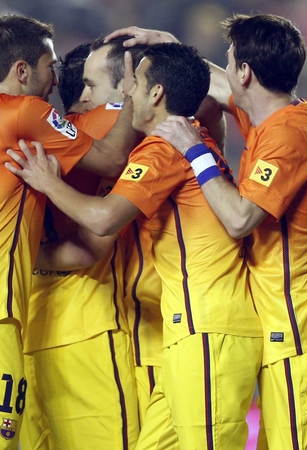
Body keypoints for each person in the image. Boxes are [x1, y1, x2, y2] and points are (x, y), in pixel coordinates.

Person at [109, 14, 307, 449]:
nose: (224, 69)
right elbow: (214, 84)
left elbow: (240, 218)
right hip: (285, 331)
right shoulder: (274, 120)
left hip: (302, 332)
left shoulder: (289, 136)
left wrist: (195, 152)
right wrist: (172, 48)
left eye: (229, 60)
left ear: (245, 72)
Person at [7, 43, 263, 450]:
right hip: (189, 329)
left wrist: (48, 182)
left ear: (156, 93)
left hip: (207, 327)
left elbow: (103, 219)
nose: (128, 93)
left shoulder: (164, 148)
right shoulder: (186, 139)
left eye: (135, 83)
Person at [0, 15, 137, 450]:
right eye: (49, 66)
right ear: (22, 71)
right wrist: (133, 93)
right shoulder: (24, 112)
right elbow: (113, 158)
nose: (56, 80)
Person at [21, 41, 140, 450]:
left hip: (25, 328)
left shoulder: (24, 132)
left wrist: (23, 257)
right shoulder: (111, 122)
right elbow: (92, 246)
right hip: (87, 328)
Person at [79, 35, 177, 450]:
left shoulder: (165, 147)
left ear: (128, 89)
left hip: (166, 342)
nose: (83, 98)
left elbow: (101, 225)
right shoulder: (127, 153)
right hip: (132, 340)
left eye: (90, 86)